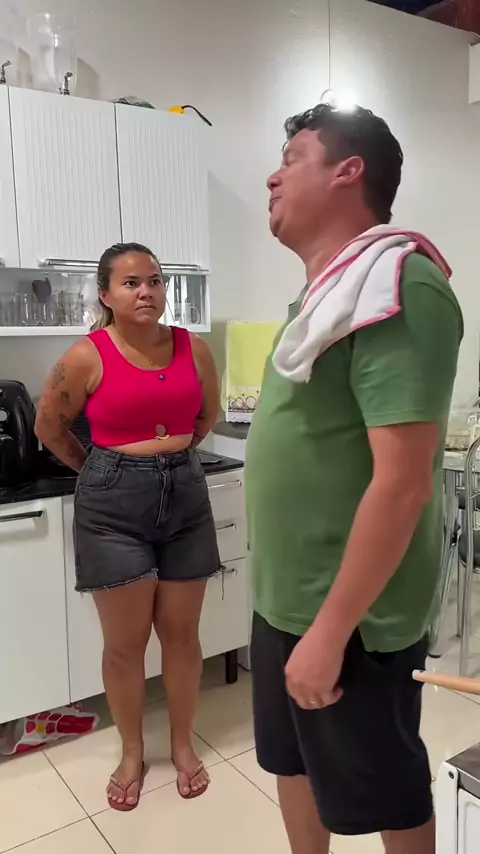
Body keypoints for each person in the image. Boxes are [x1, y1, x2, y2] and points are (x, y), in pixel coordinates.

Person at [245, 104, 463, 854]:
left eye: (291, 159)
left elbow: (403, 484)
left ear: (348, 171)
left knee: (389, 793)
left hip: (353, 620)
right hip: (284, 601)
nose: (272, 177)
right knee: (291, 763)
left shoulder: (399, 284)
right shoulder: (323, 299)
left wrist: (331, 632)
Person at [35, 243, 220, 810]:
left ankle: (183, 745)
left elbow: (206, 415)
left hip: (186, 496)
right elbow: (49, 427)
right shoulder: (85, 356)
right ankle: (133, 751)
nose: (146, 292)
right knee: (125, 644)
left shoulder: (194, 348)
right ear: (106, 295)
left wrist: (171, 457)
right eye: (132, 283)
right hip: (112, 508)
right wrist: (99, 470)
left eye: (155, 281)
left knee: (183, 637)